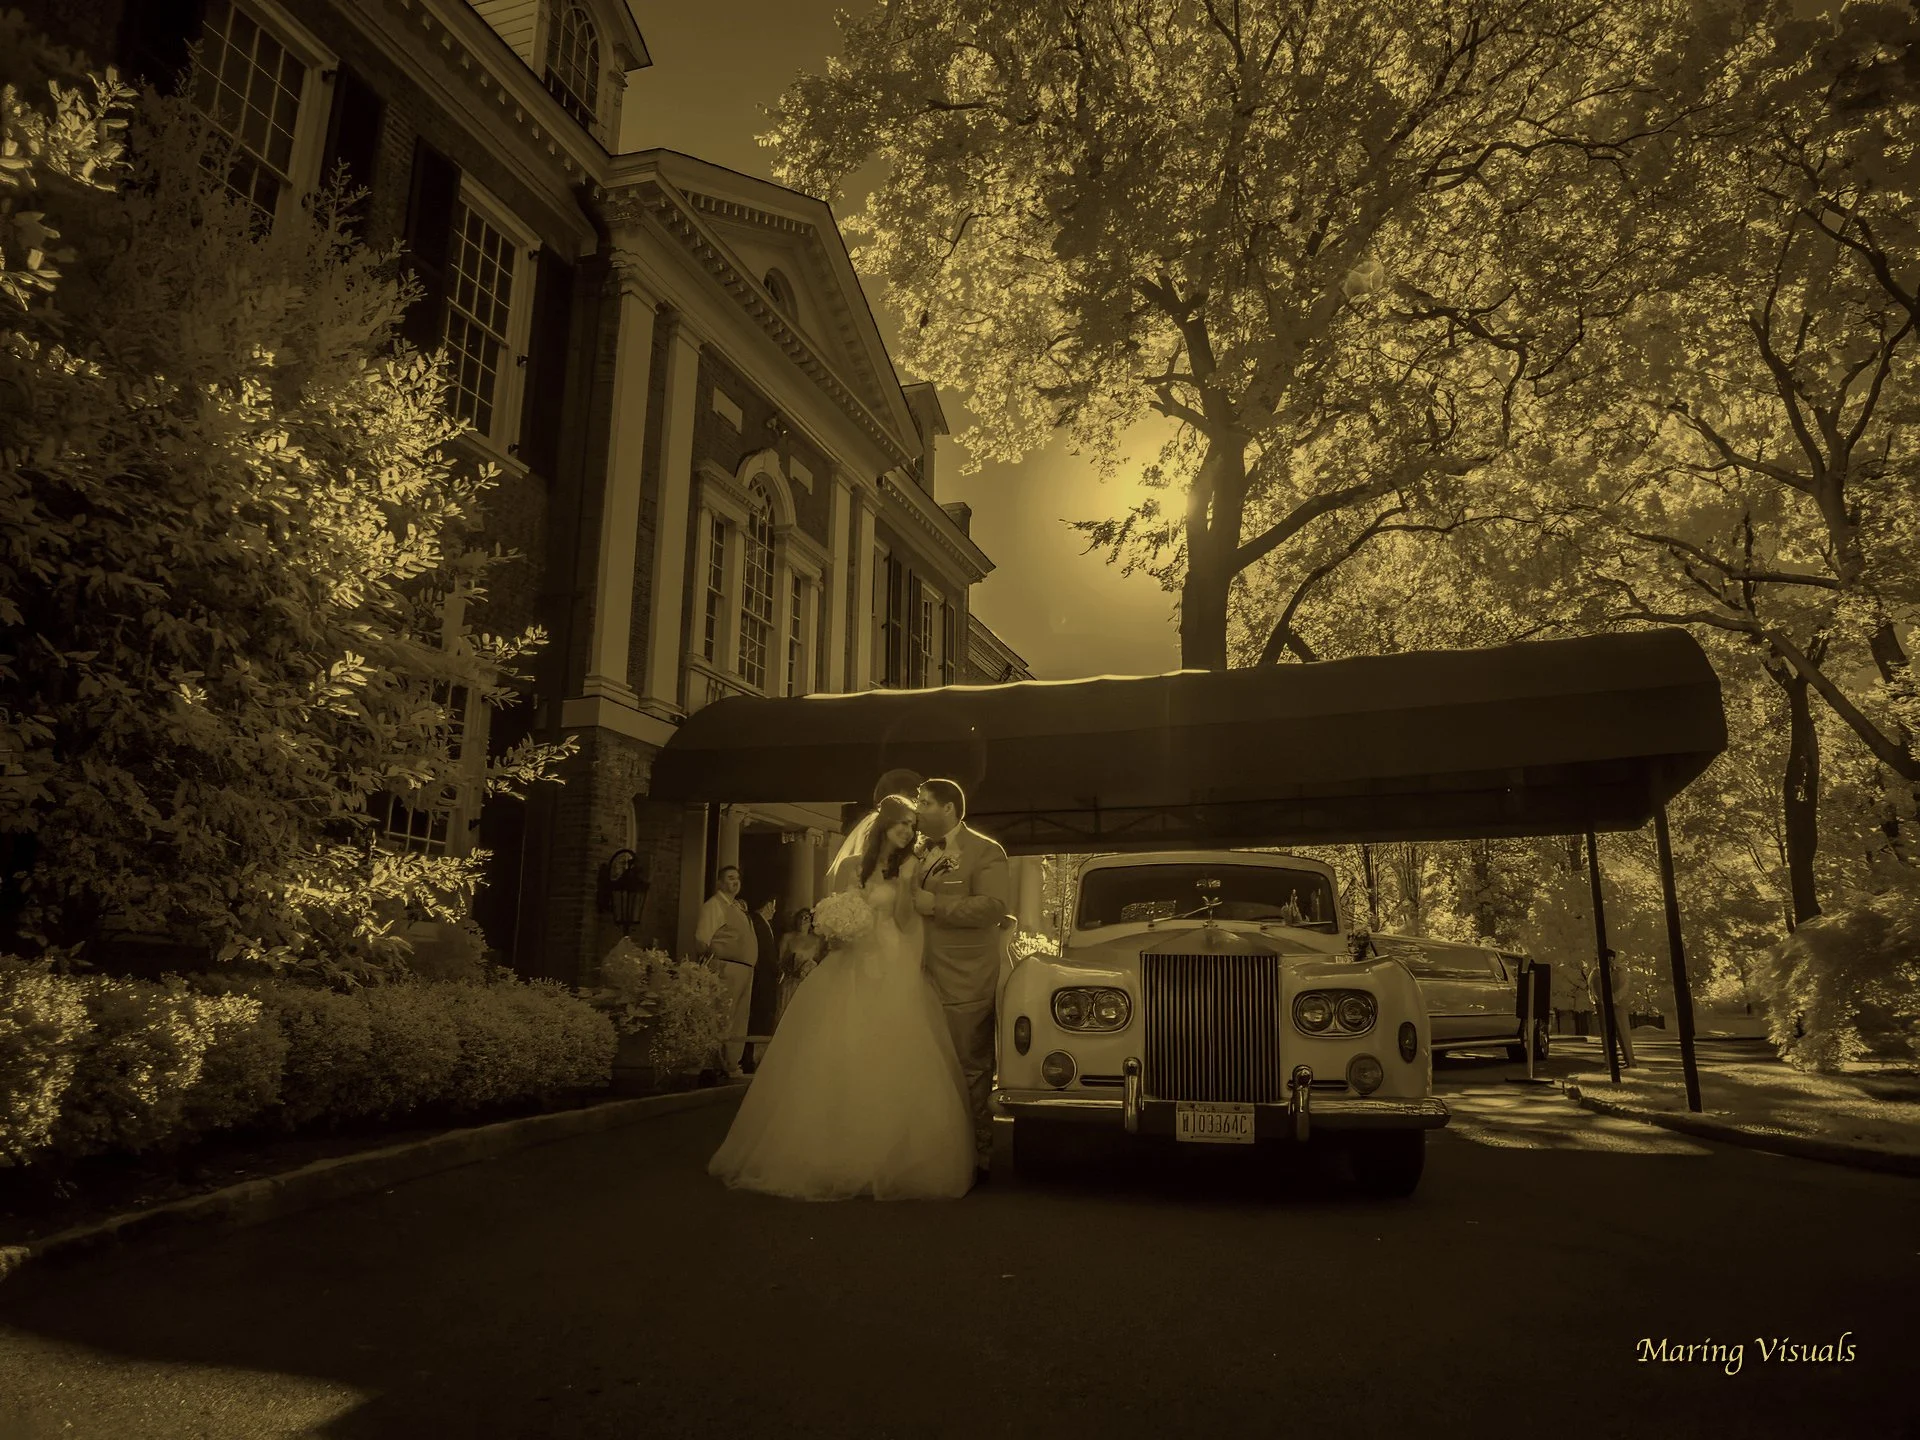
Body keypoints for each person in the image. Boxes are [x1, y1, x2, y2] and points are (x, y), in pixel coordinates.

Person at [708, 793, 974, 1201]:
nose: (906, 830)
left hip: (890, 962)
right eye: (901, 822)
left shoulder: (908, 867)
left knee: (888, 1052)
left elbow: (905, 922)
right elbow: (836, 906)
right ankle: (827, 1151)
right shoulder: (852, 866)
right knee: (835, 1049)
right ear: (884, 823)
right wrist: (839, 924)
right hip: (851, 962)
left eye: (911, 825)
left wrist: (904, 883)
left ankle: (885, 1156)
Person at [911, 777, 1013, 1180]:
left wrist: (936, 904)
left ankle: (977, 1153)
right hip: (916, 975)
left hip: (965, 976)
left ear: (950, 808)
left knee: (969, 1066)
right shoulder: (916, 851)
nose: (917, 808)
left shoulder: (986, 852)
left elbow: (992, 907)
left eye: (925, 802)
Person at [695, 864, 756, 1078]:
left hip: (743, 968)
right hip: (726, 966)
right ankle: (717, 1063)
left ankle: (732, 1063)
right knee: (723, 1015)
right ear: (720, 883)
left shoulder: (736, 907)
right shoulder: (714, 906)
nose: (735, 882)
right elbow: (703, 939)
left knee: (739, 1018)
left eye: (737, 878)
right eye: (730, 878)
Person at [825, 767, 924, 894]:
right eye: (904, 823)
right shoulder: (849, 865)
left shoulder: (909, 868)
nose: (909, 831)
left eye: (913, 827)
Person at [740, 894, 780, 1073]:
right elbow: (763, 953)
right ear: (767, 905)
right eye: (773, 906)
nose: (775, 910)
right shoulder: (757, 922)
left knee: (762, 1018)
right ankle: (747, 1057)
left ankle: (752, 1057)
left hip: (767, 978)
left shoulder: (765, 924)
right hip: (760, 978)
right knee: (755, 1017)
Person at [775, 908, 822, 1025]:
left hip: (808, 983)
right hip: (790, 982)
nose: (802, 920)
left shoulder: (817, 941)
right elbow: (780, 960)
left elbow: (819, 961)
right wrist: (790, 968)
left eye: (806, 917)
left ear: (811, 920)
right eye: (800, 917)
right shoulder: (788, 937)